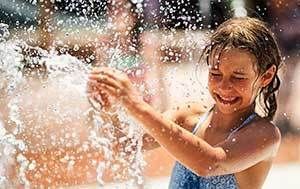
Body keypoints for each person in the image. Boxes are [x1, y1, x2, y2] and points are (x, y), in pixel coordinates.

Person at [87, 16, 282, 189]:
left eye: (238, 77)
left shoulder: (264, 135)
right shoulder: (188, 116)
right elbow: (127, 147)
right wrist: (109, 111)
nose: (224, 86)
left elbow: (210, 164)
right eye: (215, 73)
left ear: (266, 76)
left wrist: (135, 105)